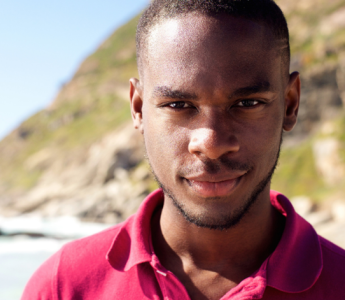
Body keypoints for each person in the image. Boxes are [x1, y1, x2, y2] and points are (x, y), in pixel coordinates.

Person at [21, 1, 345, 299]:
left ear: (290, 104)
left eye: (247, 103)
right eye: (178, 104)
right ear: (138, 109)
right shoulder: (64, 286)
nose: (212, 143)